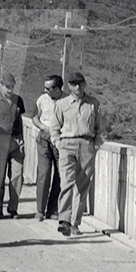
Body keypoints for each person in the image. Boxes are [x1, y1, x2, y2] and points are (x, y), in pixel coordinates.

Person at [49, 72, 103, 237]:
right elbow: (54, 127)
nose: (77, 87)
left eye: (80, 83)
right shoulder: (62, 104)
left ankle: (75, 223)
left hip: (87, 145)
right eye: (73, 84)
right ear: (69, 86)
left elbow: (99, 128)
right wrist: (58, 143)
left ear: (85, 84)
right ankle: (64, 220)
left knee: (83, 186)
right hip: (67, 145)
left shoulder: (93, 104)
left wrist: (96, 145)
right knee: (66, 182)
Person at [0, 73, 26, 219]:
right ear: (0, 86)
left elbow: (20, 121)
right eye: (7, 87)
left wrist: (21, 140)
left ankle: (13, 208)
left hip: (15, 143)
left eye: (12, 87)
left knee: (17, 176)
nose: (10, 90)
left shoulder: (18, 100)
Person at [32, 74, 65, 221]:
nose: (45, 91)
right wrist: (43, 127)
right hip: (44, 140)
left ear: (57, 89)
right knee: (44, 174)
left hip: (61, 142)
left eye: (48, 88)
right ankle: (40, 210)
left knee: (60, 176)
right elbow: (34, 117)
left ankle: (52, 210)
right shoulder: (41, 100)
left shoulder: (67, 102)